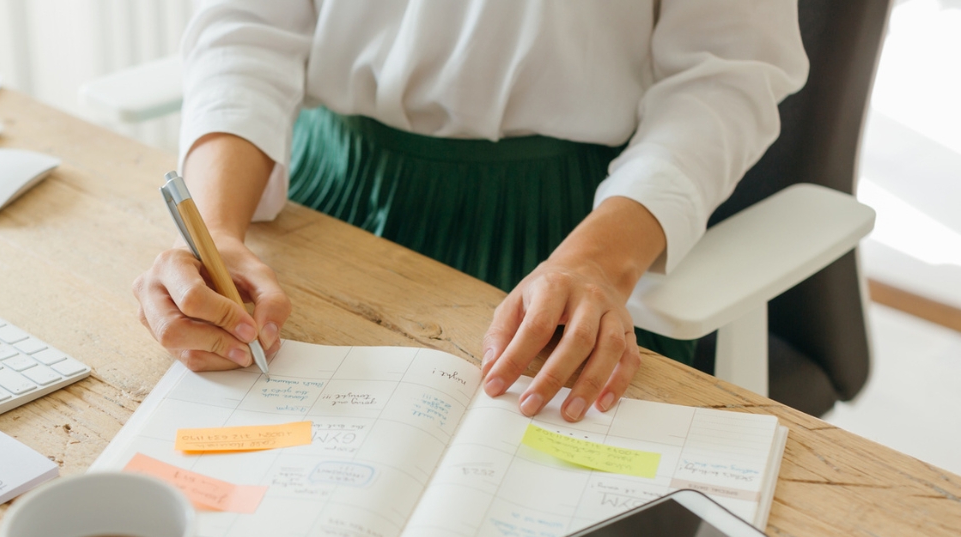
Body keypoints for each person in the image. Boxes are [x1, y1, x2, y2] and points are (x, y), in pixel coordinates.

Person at [132, 1, 808, 423]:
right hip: (325, 206)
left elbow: (727, 78)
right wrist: (217, 234)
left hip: (572, 239)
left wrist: (597, 262)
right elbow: (249, 23)